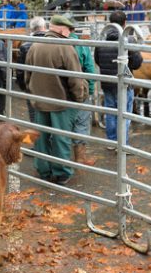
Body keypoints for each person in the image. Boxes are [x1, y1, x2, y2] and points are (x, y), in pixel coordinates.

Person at [25, 15, 87, 185]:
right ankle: (62, 173)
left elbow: (26, 74)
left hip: (39, 100)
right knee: (61, 138)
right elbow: (75, 78)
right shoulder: (66, 47)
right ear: (60, 29)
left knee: (42, 137)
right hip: (61, 101)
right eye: (69, 30)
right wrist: (78, 98)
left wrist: (33, 93)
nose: (71, 33)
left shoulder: (35, 46)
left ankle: (43, 169)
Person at [94, 11, 144, 149]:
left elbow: (97, 60)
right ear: (124, 23)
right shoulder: (129, 40)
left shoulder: (101, 41)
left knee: (111, 111)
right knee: (124, 113)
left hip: (107, 81)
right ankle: (122, 143)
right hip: (124, 82)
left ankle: (111, 142)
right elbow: (137, 63)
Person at [68, 22, 97, 165]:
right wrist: (90, 90)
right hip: (79, 90)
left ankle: (60, 158)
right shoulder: (80, 45)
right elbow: (90, 69)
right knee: (81, 122)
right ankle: (80, 158)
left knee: (61, 123)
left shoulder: (54, 43)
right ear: (73, 29)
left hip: (60, 91)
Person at [16, 16, 48, 122]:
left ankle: (37, 136)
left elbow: (20, 70)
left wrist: (23, 86)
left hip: (32, 86)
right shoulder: (53, 42)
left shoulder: (25, 45)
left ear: (31, 29)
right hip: (50, 85)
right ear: (44, 27)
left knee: (33, 114)